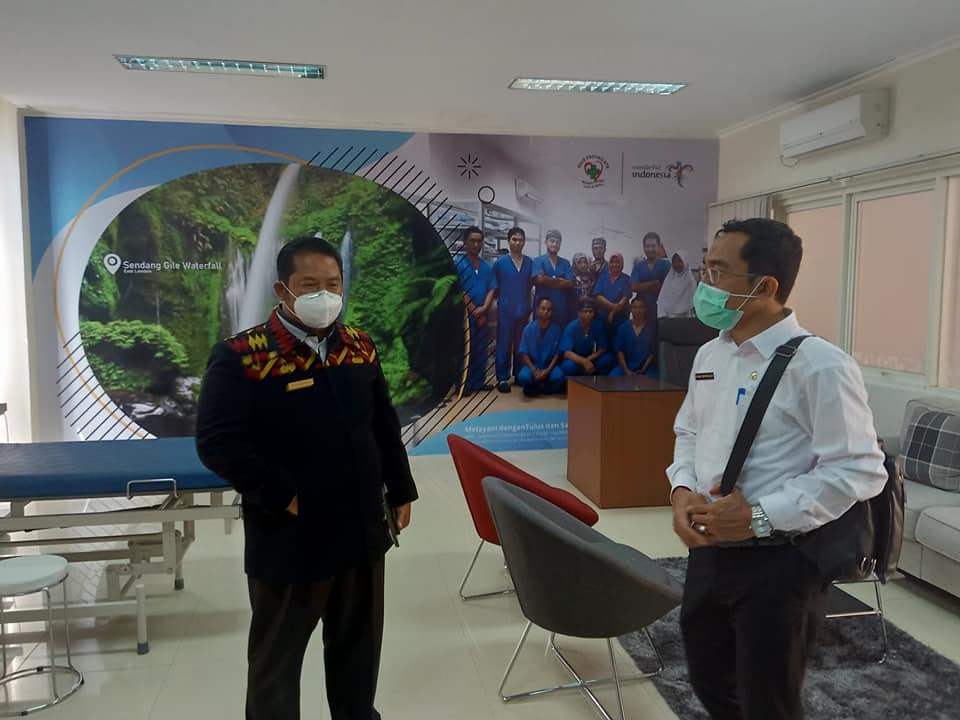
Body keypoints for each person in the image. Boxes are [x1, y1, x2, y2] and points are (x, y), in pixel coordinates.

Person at [666, 218, 887, 720]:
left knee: (769, 698)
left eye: (718, 271)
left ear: (765, 287)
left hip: (782, 560)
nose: (704, 284)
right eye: (705, 268)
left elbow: (859, 469)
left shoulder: (821, 365)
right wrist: (681, 489)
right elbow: (689, 431)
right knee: (708, 675)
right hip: (709, 549)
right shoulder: (711, 352)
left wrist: (760, 516)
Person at [195, 236, 418, 720]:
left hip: (361, 528)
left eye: (333, 284)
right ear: (283, 289)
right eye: (310, 284)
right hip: (291, 535)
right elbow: (217, 442)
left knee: (358, 650)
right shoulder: (243, 356)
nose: (325, 295)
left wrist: (401, 488)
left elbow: (383, 424)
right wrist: (283, 496)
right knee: (277, 661)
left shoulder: (358, 346)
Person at [455, 226, 497, 393]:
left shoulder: (487, 267)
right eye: (472, 241)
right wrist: (473, 309)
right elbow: (459, 289)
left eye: (479, 241)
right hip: (465, 315)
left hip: (483, 313)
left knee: (481, 348)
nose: (476, 244)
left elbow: (492, 289)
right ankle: (463, 384)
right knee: (466, 349)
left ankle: (479, 382)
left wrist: (484, 308)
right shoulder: (459, 264)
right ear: (465, 242)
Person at [492, 227, 534, 394]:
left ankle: (519, 373)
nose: (517, 243)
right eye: (514, 239)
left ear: (524, 242)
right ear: (508, 241)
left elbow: (529, 284)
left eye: (520, 240)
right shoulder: (500, 263)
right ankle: (502, 378)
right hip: (506, 310)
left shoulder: (530, 263)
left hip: (523, 310)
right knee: (503, 344)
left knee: (521, 345)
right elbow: (495, 287)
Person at [516, 297, 565, 396]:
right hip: (533, 365)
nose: (545, 312)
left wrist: (547, 370)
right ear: (537, 309)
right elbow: (524, 352)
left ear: (552, 312)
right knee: (523, 377)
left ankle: (540, 386)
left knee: (558, 377)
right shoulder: (528, 329)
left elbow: (557, 354)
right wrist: (533, 370)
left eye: (549, 310)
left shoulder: (556, 330)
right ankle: (539, 385)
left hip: (549, 366)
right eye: (543, 308)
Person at [532, 228, 576, 329]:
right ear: (546, 242)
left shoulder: (565, 263)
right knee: (541, 335)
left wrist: (548, 280)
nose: (555, 244)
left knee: (560, 335)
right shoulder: (538, 261)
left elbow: (570, 282)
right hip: (543, 310)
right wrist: (561, 281)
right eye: (552, 241)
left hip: (561, 310)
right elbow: (540, 279)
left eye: (557, 242)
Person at [559, 297, 614, 376]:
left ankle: (596, 382)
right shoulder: (571, 327)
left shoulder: (597, 325)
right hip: (575, 359)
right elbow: (566, 352)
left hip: (591, 357)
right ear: (579, 313)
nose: (588, 314)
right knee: (569, 367)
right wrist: (583, 361)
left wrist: (587, 360)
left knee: (607, 359)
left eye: (590, 312)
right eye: (585, 312)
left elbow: (602, 348)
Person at [630, 231, 672, 322]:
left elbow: (667, 289)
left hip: (661, 310)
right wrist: (654, 283)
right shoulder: (638, 266)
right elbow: (633, 287)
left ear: (658, 246)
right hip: (641, 311)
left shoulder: (666, 265)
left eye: (653, 246)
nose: (650, 249)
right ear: (643, 247)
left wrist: (642, 286)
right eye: (647, 246)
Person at [610, 295, 657, 376]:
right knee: (613, 376)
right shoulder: (623, 327)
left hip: (646, 368)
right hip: (625, 367)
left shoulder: (651, 328)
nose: (638, 310)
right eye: (635, 307)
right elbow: (619, 351)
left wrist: (643, 370)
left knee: (653, 378)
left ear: (645, 309)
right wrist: (626, 370)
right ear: (630, 309)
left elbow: (652, 353)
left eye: (641, 307)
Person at [591, 252, 632, 342]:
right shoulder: (603, 277)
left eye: (617, 262)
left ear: (622, 264)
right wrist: (613, 307)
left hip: (620, 318)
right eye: (612, 262)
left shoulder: (626, 279)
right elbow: (598, 296)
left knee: (618, 344)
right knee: (602, 344)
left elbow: (625, 299)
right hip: (603, 318)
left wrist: (612, 313)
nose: (614, 264)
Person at [657, 250, 697, 318]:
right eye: (674, 262)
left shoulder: (690, 281)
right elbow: (662, 300)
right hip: (668, 318)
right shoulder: (669, 280)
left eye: (680, 261)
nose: (676, 264)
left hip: (686, 318)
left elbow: (692, 304)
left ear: (685, 262)